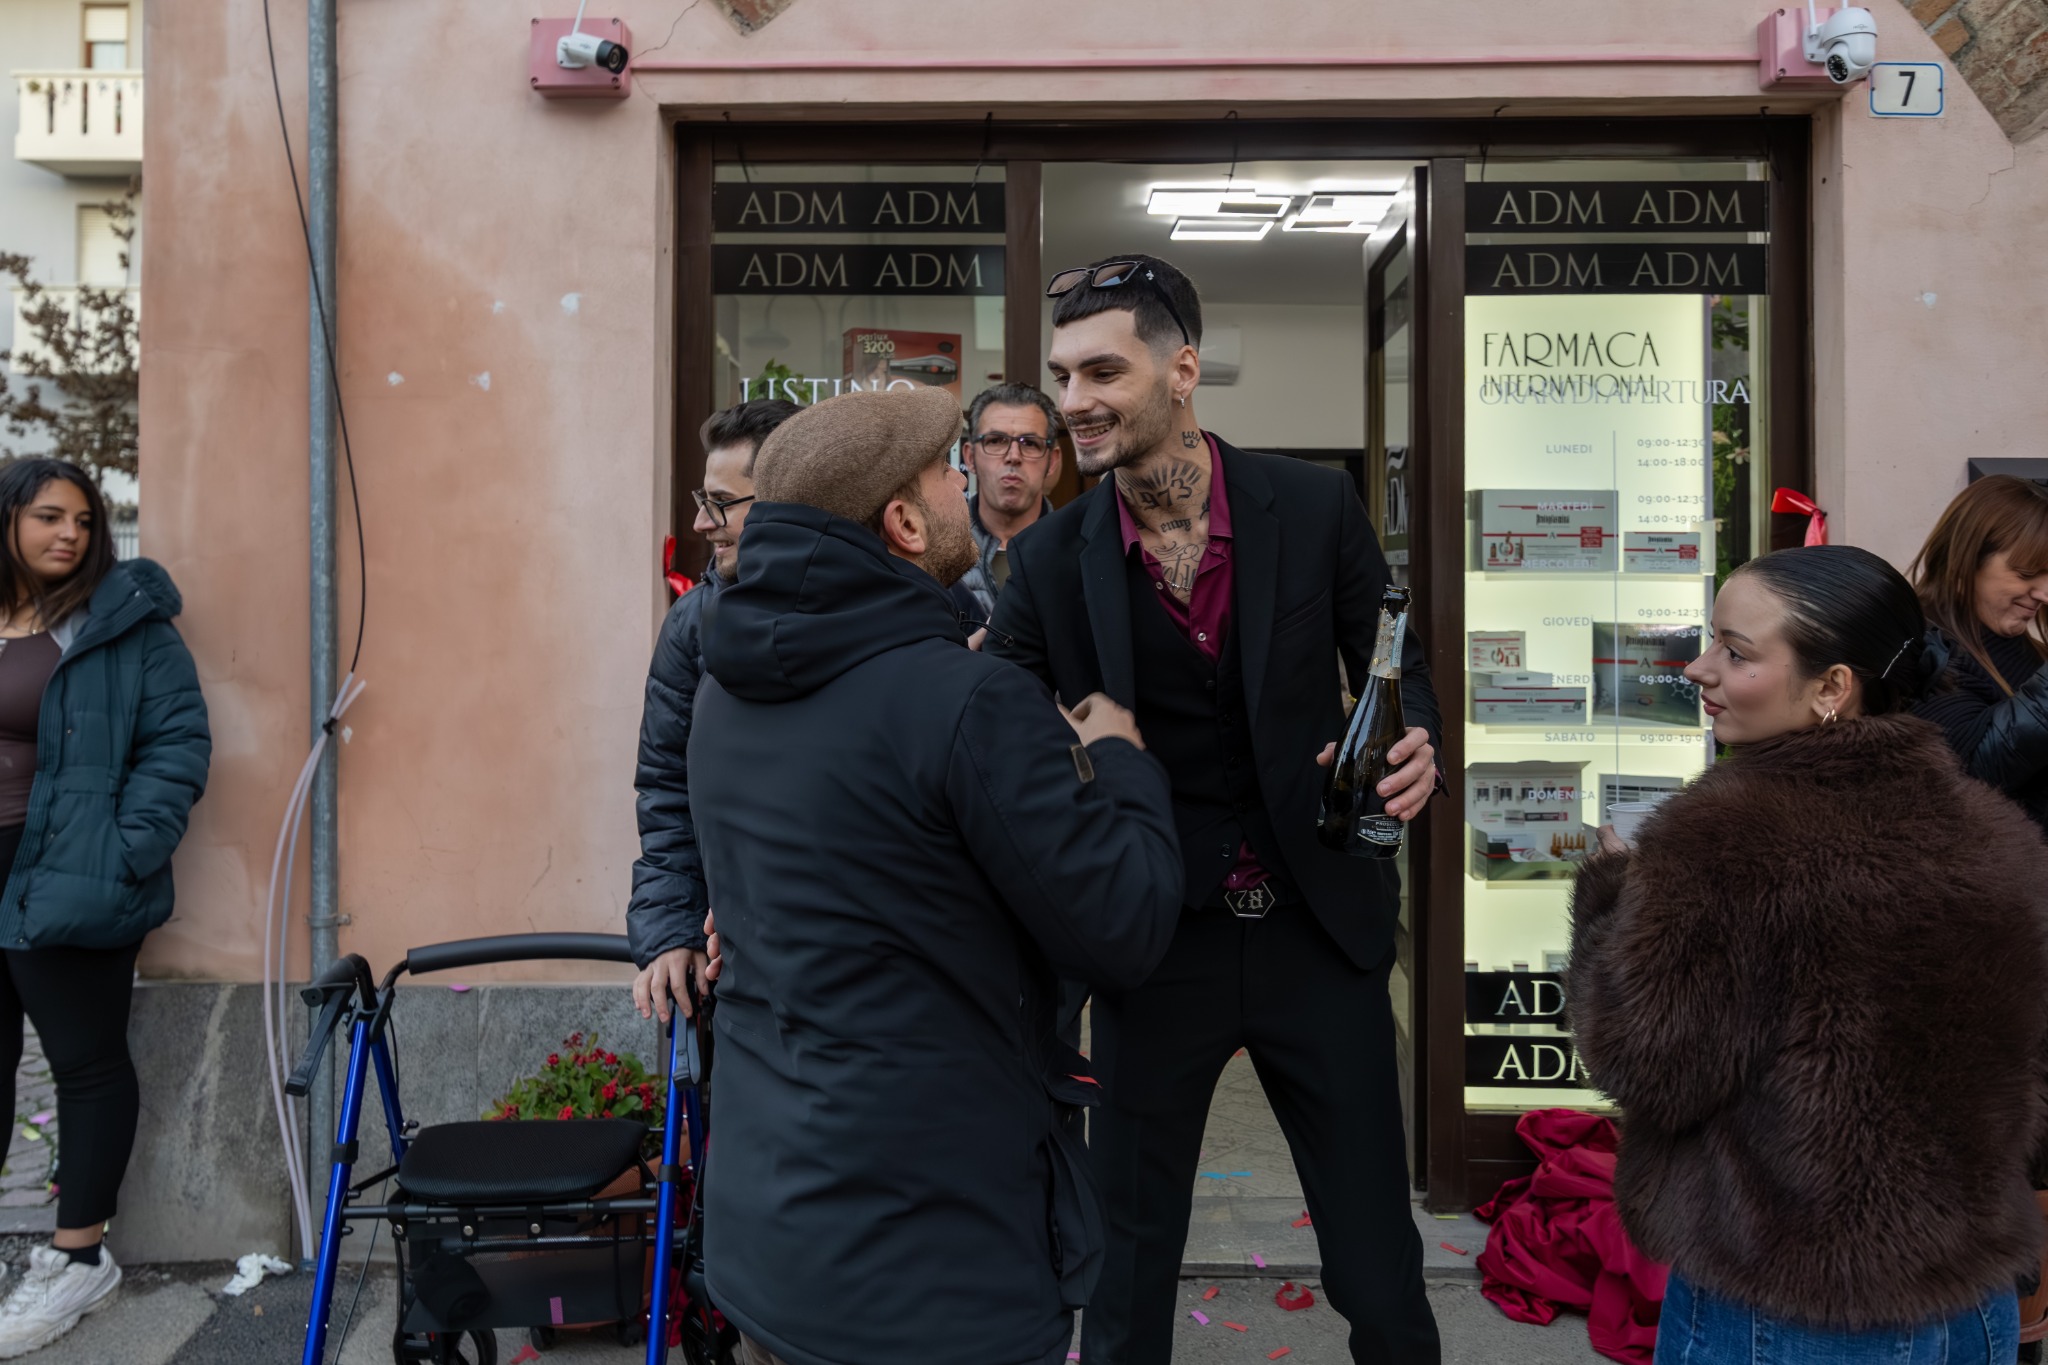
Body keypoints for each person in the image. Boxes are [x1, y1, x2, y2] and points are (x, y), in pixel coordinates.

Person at [990, 256, 1444, 1365]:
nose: (1075, 399)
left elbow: (1397, 663)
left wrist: (1418, 743)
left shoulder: (1311, 503)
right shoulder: (1048, 561)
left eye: (1103, 368)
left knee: (1375, 1264)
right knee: (1129, 1267)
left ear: (1181, 370)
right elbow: (988, 737)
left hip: (1320, 926)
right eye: (1063, 375)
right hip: (1154, 943)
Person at [690, 385, 1185, 1365]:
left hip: (770, 1245)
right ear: (903, 522)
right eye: (945, 470)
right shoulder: (968, 703)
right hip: (933, 1271)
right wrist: (1121, 761)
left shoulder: (721, 692)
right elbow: (1122, 925)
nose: (967, 482)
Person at [1567, 545, 2048, 1365]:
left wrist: (1611, 900)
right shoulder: (1995, 833)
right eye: (1712, 640)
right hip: (1971, 1303)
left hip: (1784, 1303)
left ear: (1834, 687)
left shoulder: (1725, 841)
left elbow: (1651, 1065)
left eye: (1737, 651)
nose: (1698, 667)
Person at [0, 459, 209, 1358]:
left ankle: (79, 1256)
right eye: (50, 516)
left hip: (69, 868)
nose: (70, 535)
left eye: (85, 520)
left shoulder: (125, 625)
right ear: (9, 518)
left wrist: (125, 853)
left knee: (84, 1061)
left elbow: (179, 744)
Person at [627, 398, 797, 1025]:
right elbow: (666, 791)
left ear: (785, 502)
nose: (700, 523)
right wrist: (672, 927)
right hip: (732, 967)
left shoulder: (884, 609)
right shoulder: (692, 625)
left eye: (720, 503)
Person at [1909, 474, 2048, 831]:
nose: (2044, 593)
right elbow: (1977, 769)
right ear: (1966, 559)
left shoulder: (2024, 647)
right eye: (2027, 573)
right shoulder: (1921, 650)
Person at [957, 382, 1063, 621]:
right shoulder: (934, 548)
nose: (1013, 456)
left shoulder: (1082, 549)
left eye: (1030, 443)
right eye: (995, 441)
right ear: (970, 457)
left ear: (1052, 461)